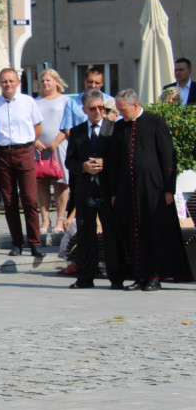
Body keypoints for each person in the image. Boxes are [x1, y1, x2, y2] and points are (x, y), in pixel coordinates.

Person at [105, 89, 191, 290]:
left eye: (123, 110)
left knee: (154, 233)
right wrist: (114, 193)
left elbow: (168, 156)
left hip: (154, 188)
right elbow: (114, 162)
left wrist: (169, 189)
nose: (120, 114)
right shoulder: (119, 127)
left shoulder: (155, 121)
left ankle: (154, 276)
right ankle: (139, 275)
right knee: (133, 234)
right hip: (128, 190)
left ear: (135, 105)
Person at [64, 90, 125, 289]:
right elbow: (69, 161)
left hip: (108, 189)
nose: (98, 111)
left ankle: (116, 278)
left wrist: (103, 163)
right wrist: (83, 167)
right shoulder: (78, 131)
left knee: (112, 234)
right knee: (85, 234)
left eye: (101, 108)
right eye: (93, 108)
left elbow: (120, 159)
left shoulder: (113, 129)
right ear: (84, 110)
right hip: (85, 189)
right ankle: (85, 277)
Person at [0, 68, 44, 258]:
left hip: (24, 151)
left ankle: (35, 243)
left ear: (18, 82)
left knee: (29, 199)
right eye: (4, 81)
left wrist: (27, 142)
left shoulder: (28, 102)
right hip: (3, 153)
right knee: (9, 201)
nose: (8, 84)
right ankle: (17, 242)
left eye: (11, 81)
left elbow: (38, 127)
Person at [34, 68, 72, 233]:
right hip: (39, 148)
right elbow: (30, 124)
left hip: (59, 145)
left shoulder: (65, 101)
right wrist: (35, 141)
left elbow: (68, 123)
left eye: (48, 80)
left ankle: (60, 218)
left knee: (61, 182)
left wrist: (57, 141)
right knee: (40, 182)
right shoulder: (35, 102)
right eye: (42, 81)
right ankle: (45, 219)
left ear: (57, 81)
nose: (45, 83)